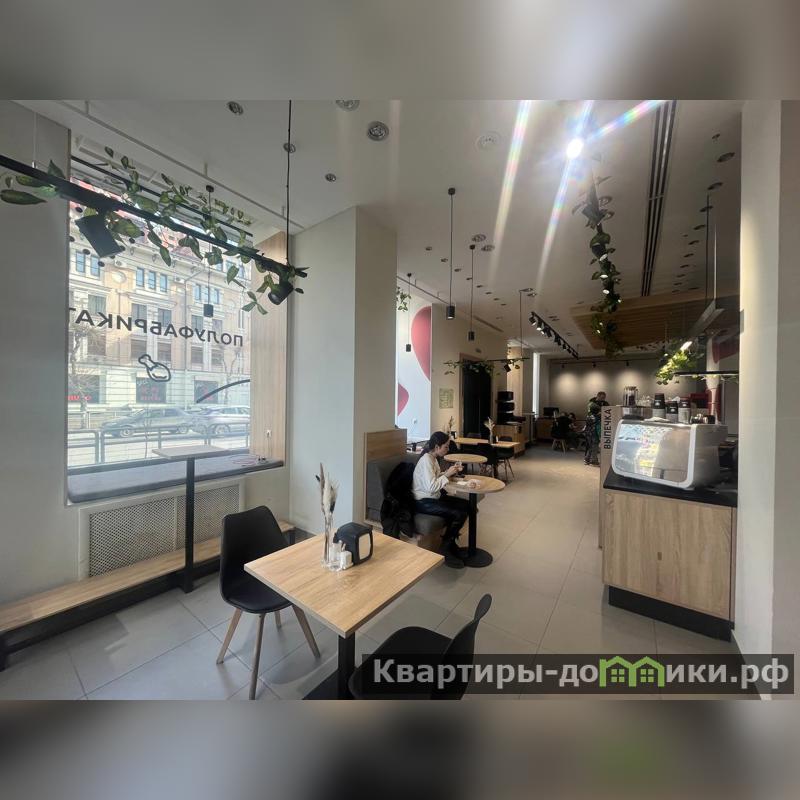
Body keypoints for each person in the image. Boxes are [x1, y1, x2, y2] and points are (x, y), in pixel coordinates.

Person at [412, 431, 469, 566]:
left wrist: (449, 472)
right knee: (459, 513)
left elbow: (435, 478)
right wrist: (447, 474)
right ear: (437, 447)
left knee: (467, 505)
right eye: (446, 447)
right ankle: (446, 548)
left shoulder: (433, 458)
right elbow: (431, 487)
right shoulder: (426, 460)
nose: (448, 449)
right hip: (423, 501)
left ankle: (451, 544)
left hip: (432, 497)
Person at [584, 400, 601, 465]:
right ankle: (594, 460)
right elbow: (598, 427)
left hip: (588, 433)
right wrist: (600, 435)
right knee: (595, 447)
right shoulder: (597, 418)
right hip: (594, 434)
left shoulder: (588, 416)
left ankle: (587, 459)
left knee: (591, 446)